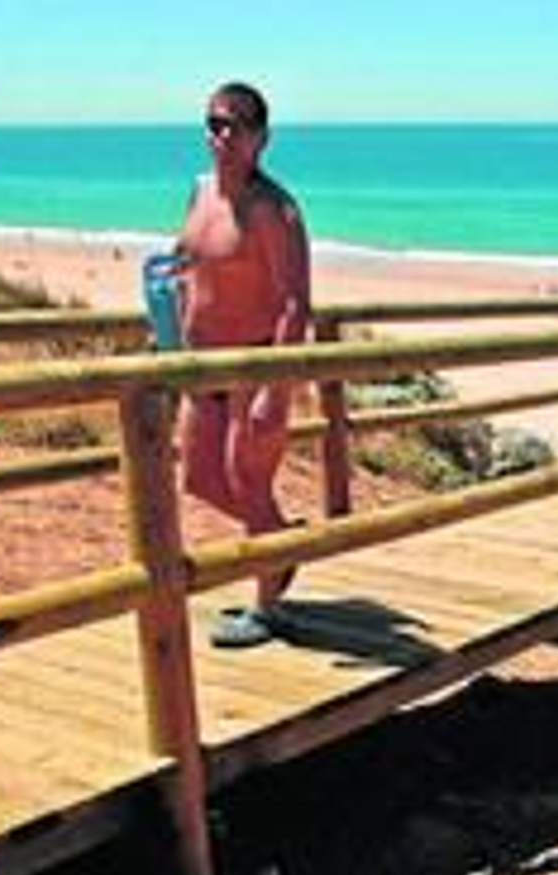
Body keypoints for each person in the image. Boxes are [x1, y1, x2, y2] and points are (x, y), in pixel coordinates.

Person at [175, 82, 311, 647]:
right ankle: (280, 545)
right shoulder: (199, 191)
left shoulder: (272, 209)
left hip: (252, 368)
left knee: (249, 483)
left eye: (237, 125)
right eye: (215, 123)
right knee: (200, 479)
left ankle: (268, 608)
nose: (223, 134)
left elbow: (295, 304)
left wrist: (274, 391)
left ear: (262, 138)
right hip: (200, 364)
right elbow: (189, 260)